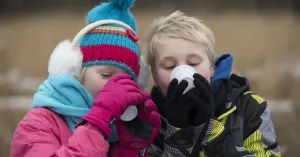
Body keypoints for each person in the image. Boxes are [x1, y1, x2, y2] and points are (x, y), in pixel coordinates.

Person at [10, 0, 161, 156]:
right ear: (78, 72)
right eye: (106, 75)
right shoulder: (39, 123)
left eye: (127, 79)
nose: (116, 86)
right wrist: (97, 123)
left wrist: (133, 150)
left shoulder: (126, 127)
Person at [145, 11, 281, 157]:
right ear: (154, 74)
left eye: (193, 63)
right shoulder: (145, 120)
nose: (184, 73)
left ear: (211, 67)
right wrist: (178, 134)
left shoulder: (249, 107)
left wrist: (210, 130)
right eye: (169, 66)